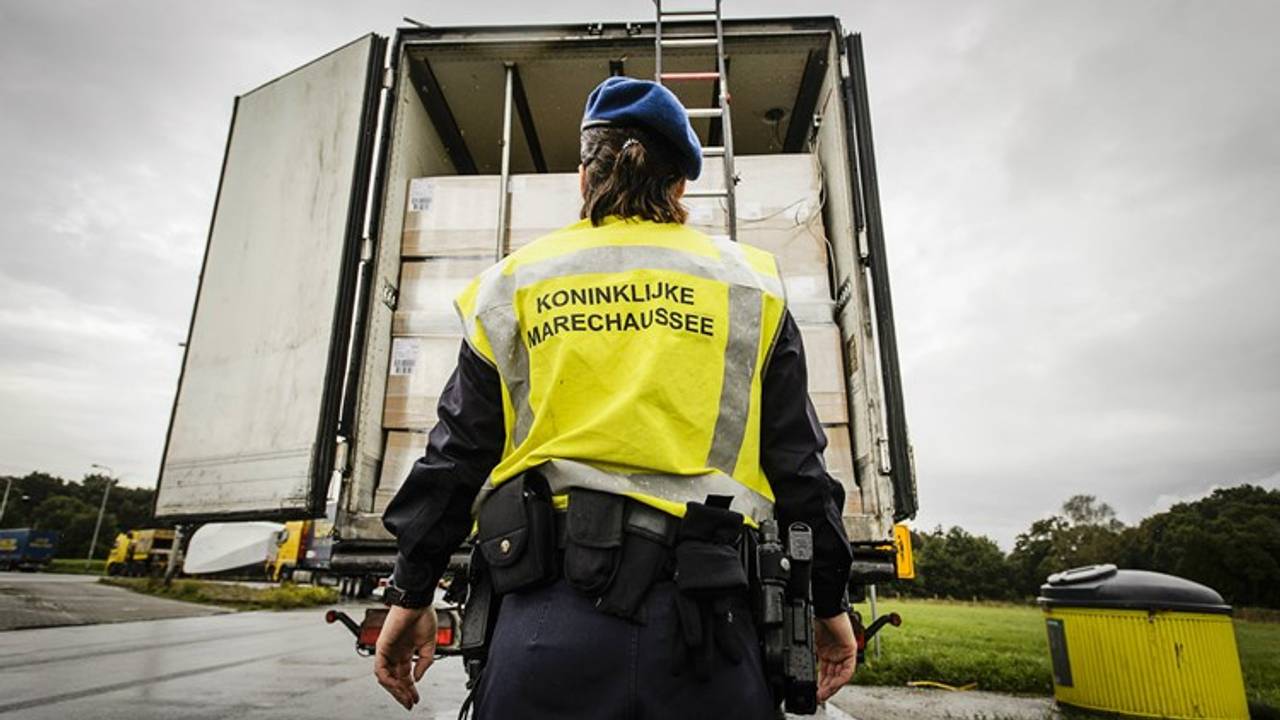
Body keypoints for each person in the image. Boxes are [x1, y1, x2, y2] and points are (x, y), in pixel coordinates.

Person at [375, 76, 857, 718]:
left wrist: (410, 595)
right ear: (680, 184)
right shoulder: (750, 288)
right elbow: (800, 471)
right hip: (708, 632)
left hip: (540, 631)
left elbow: (455, 460)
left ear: (584, 176)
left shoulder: (513, 286)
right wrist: (829, 604)